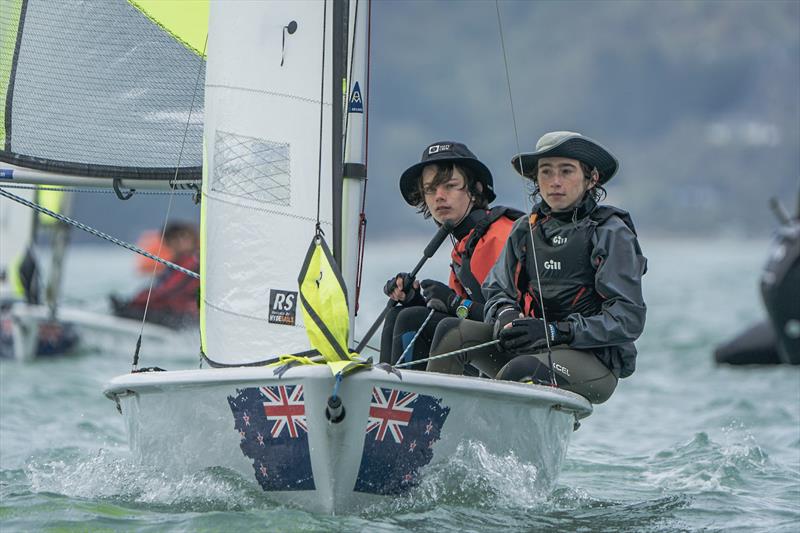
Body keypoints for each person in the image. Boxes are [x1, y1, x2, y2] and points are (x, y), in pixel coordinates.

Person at [426, 131, 647, 404]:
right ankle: (425, 431)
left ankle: (490, 442)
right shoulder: (524, 229)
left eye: (566, 171)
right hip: (534, 348)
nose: (555, 182)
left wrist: (556, 331)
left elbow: (628, 319)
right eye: (545, 172)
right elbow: (497, 289)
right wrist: (506, 314)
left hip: (594, 362)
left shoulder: (611, 233)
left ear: (592, 178)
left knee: (521, 370)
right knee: (452, 332)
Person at [379, 141, 523, 370]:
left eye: (450, 186)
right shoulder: (465, 243)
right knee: (401, 313)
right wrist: (414, 299)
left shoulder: (497, 237)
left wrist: (453, 302)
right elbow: (463, 312)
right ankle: (382, 395)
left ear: (475, 190)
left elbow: (516, 316)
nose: (439, 196)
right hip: (484, 345)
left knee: (412, 319)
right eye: (430, 189)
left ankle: (401, 399)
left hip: (519, 353)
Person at [110, 221, 200, 329]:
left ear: (192, 238)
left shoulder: (194, 263)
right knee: (129, 308)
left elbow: (170, 291)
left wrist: (139, 301)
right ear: (168, 243)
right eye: (174, 239)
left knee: (128, 311)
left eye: (183, 236)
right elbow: (161, 288)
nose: (179, 241)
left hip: (184, 316)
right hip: (170, 310)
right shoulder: (174, 264)